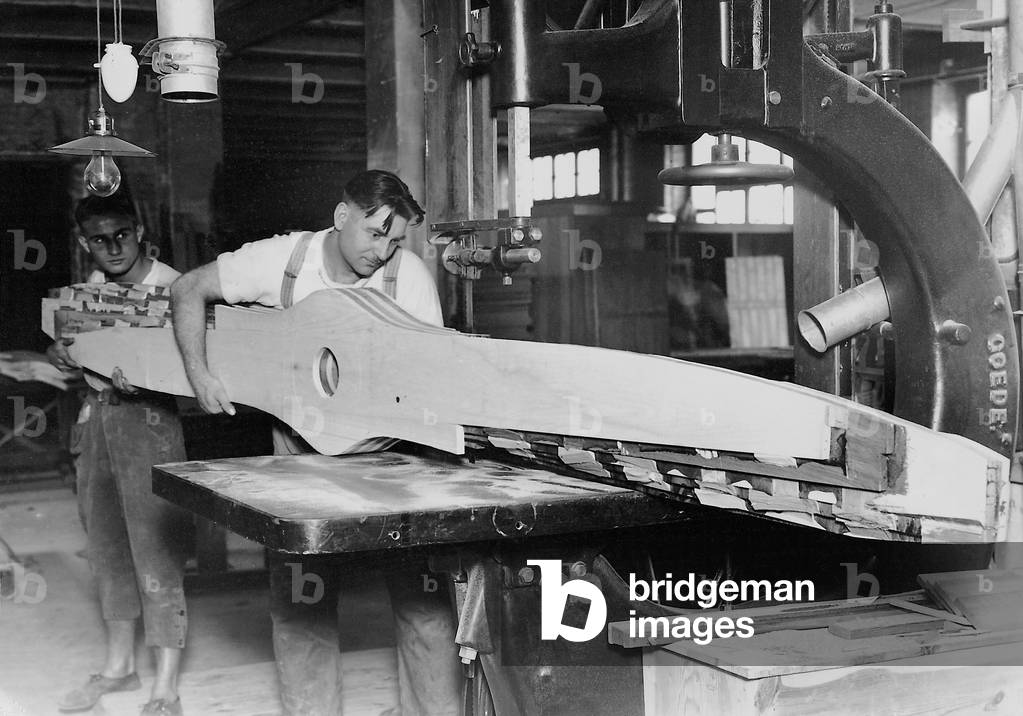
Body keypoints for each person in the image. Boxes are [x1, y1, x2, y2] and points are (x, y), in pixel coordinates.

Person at [170, 169, 462, 715]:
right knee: (301, 607)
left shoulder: (410, 277)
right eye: (375, 234)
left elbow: (434, 377)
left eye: (396, 240)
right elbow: (188, 288)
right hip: (299, 456)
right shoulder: (282, 261)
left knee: (426, 606)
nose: (384, 251)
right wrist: (200, 375)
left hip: (392, 459)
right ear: (341, 216)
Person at [48, 193, 192, 716]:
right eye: (98, 240)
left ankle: (166, 685)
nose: (112, 248)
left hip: (151, 423)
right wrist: (62, 351)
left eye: (121, 236)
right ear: (85, 241)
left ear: (139, 228)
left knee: (156, 551)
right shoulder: (89, 290)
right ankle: (118, 667)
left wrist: (150, 379)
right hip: (97, 419)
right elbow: (63, 346)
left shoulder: (176, 287)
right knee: (106, 549)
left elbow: (199, 373)